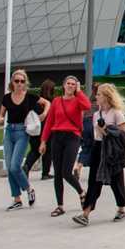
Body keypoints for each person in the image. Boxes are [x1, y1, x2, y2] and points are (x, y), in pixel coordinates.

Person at [72, 84, 125, 226]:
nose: (96, 97)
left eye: (98, 94)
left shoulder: (117, 113)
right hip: (98, 148)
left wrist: (106, 130)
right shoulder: (96, 115)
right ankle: (86, 213)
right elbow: (95, 135)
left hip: (112, 151)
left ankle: (121, 209)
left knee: (116, 181)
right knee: (94, 181)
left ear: (106, 96)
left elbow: (123, 136)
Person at [0, 70, 50, 211]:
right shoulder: (7, 98)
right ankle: (17, 199)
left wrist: (44, 114)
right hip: (9, 132)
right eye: (17, 81)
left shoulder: (30, 97)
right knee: (9, 167)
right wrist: (0, 119)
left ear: (25, 83)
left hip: (22, 132)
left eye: (22, 81)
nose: (19, 84)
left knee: (15, 166)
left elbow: (47, 103)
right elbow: (1, 114)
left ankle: (29, 189)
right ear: (12, 82)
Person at [39, 76, 91, 216]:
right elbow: (49, 122)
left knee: (66, 172)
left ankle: (81, 192)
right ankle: (60, 205)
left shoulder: (78, 100)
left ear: (76, 86)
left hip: (72, 137)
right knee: (57, 174)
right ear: (63, 85)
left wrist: (79, 92)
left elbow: (87, 106)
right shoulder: (56, 101)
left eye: (73, 84)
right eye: (68, 83)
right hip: (57, 137)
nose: (70, 86)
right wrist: (43, 141)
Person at [24, 79, 56, 181]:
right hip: (48, 130)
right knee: (48, 151)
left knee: (34, 150)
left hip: (35, 129)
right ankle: (45, 173)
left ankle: (26, 167)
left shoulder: (36, 101)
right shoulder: (53, 102)